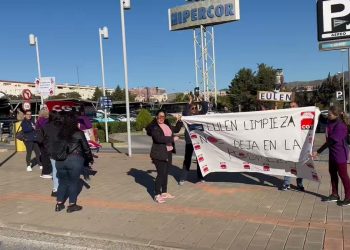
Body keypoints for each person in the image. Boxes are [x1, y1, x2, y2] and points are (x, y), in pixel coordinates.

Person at [55, 112, 94, 213]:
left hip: (60, 161)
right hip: (74, 160)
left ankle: (59, 204)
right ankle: (72, 205)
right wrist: (89, 159)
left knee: (62, 182)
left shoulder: (59, 133)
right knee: (73, 182)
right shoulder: (79, 133)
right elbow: (86, 148)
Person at [312, 105, 350, 206]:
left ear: (336, 115)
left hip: (340, 154)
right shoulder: (330, 121)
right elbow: (321, 118)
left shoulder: (340, 125)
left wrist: (318, 151)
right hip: (332, 153)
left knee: (343, 175)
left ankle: (348, 197)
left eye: (330, 114)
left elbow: (331, 141)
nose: (328, 116)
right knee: (332, 173)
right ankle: (335, 194)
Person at [146, 110, 182, 203]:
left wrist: (180, 121)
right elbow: (158, 139)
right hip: (158, 153)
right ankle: (157, 195)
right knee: (161, 174)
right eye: (159, 117)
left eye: (163, 117)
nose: (161, 118)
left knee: (165, 173)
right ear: (156, 117)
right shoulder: (154, 127)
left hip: (168, 152)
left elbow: (176, 130)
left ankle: (164, 193)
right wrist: (172, 138)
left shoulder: (167, 125)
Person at [179, 95, 209, 185]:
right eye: (192, 108)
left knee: (200, 159)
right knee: (187, 159)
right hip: (189, 141)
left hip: (199, 141)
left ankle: (200, 177)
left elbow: (205, 109)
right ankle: (183, 178)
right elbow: (184, 112)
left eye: (195, 108)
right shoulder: (187, 117)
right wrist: (190, 102)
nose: (193, 109)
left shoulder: (200, 116)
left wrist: (200, 101)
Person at [281, 101, 305, 191]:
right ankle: (286, 184)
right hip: (289, 145)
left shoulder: (302, 116)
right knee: (288, 164)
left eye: (293, 106)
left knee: (300, 165)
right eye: (290, 106)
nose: (292, 108)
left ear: (298, 106)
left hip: (300, 145)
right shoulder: (286, 117)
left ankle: (300, 185)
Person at [41, 110, 63, 197]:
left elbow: (42, 139)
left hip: (51, 151)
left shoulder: (45, 127)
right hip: (61, 151)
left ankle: (55, 188)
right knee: (62, 169)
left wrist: (47, 146)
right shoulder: (62, 126)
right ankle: (63, 186)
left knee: (55, 169)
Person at [36, 108, 52, 178]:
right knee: (46, 156)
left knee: (43, 155)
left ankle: (44, 172)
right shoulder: (47, 121)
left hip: (40, 140)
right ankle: (46, 172)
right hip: (46, 140)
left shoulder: (38, 120)